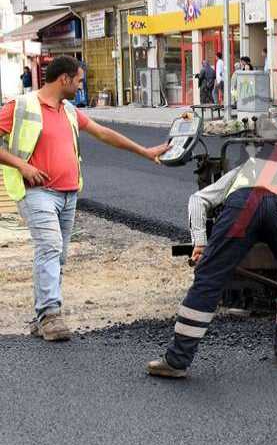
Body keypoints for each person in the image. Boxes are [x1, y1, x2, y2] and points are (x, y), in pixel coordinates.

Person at [0, 56, 170, 341]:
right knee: (50, 247)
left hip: (68, 194)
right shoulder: (20, 106)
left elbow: (103, 133)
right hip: (36, 192)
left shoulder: (69, 110)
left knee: (57, 254)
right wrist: (22, 165)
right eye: (78, 81)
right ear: (64, 79)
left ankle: (41, 316)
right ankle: (50, 315)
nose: (81, 86)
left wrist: (144, 151)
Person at [146, 155, 277, 378]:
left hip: (243, 206)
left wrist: (200, 243)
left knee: (209, 278)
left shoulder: (250, 167)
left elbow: (197, 199)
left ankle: (176, 361)